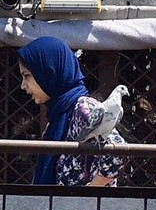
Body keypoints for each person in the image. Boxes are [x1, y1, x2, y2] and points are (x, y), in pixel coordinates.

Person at [17, 36, 128, 186]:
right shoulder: (59, 117)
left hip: (86, 209)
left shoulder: (83, 108)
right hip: (64, 208)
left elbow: (118, 151)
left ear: (49, 72)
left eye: (27, 76)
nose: (23, 86)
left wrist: (91, 191)